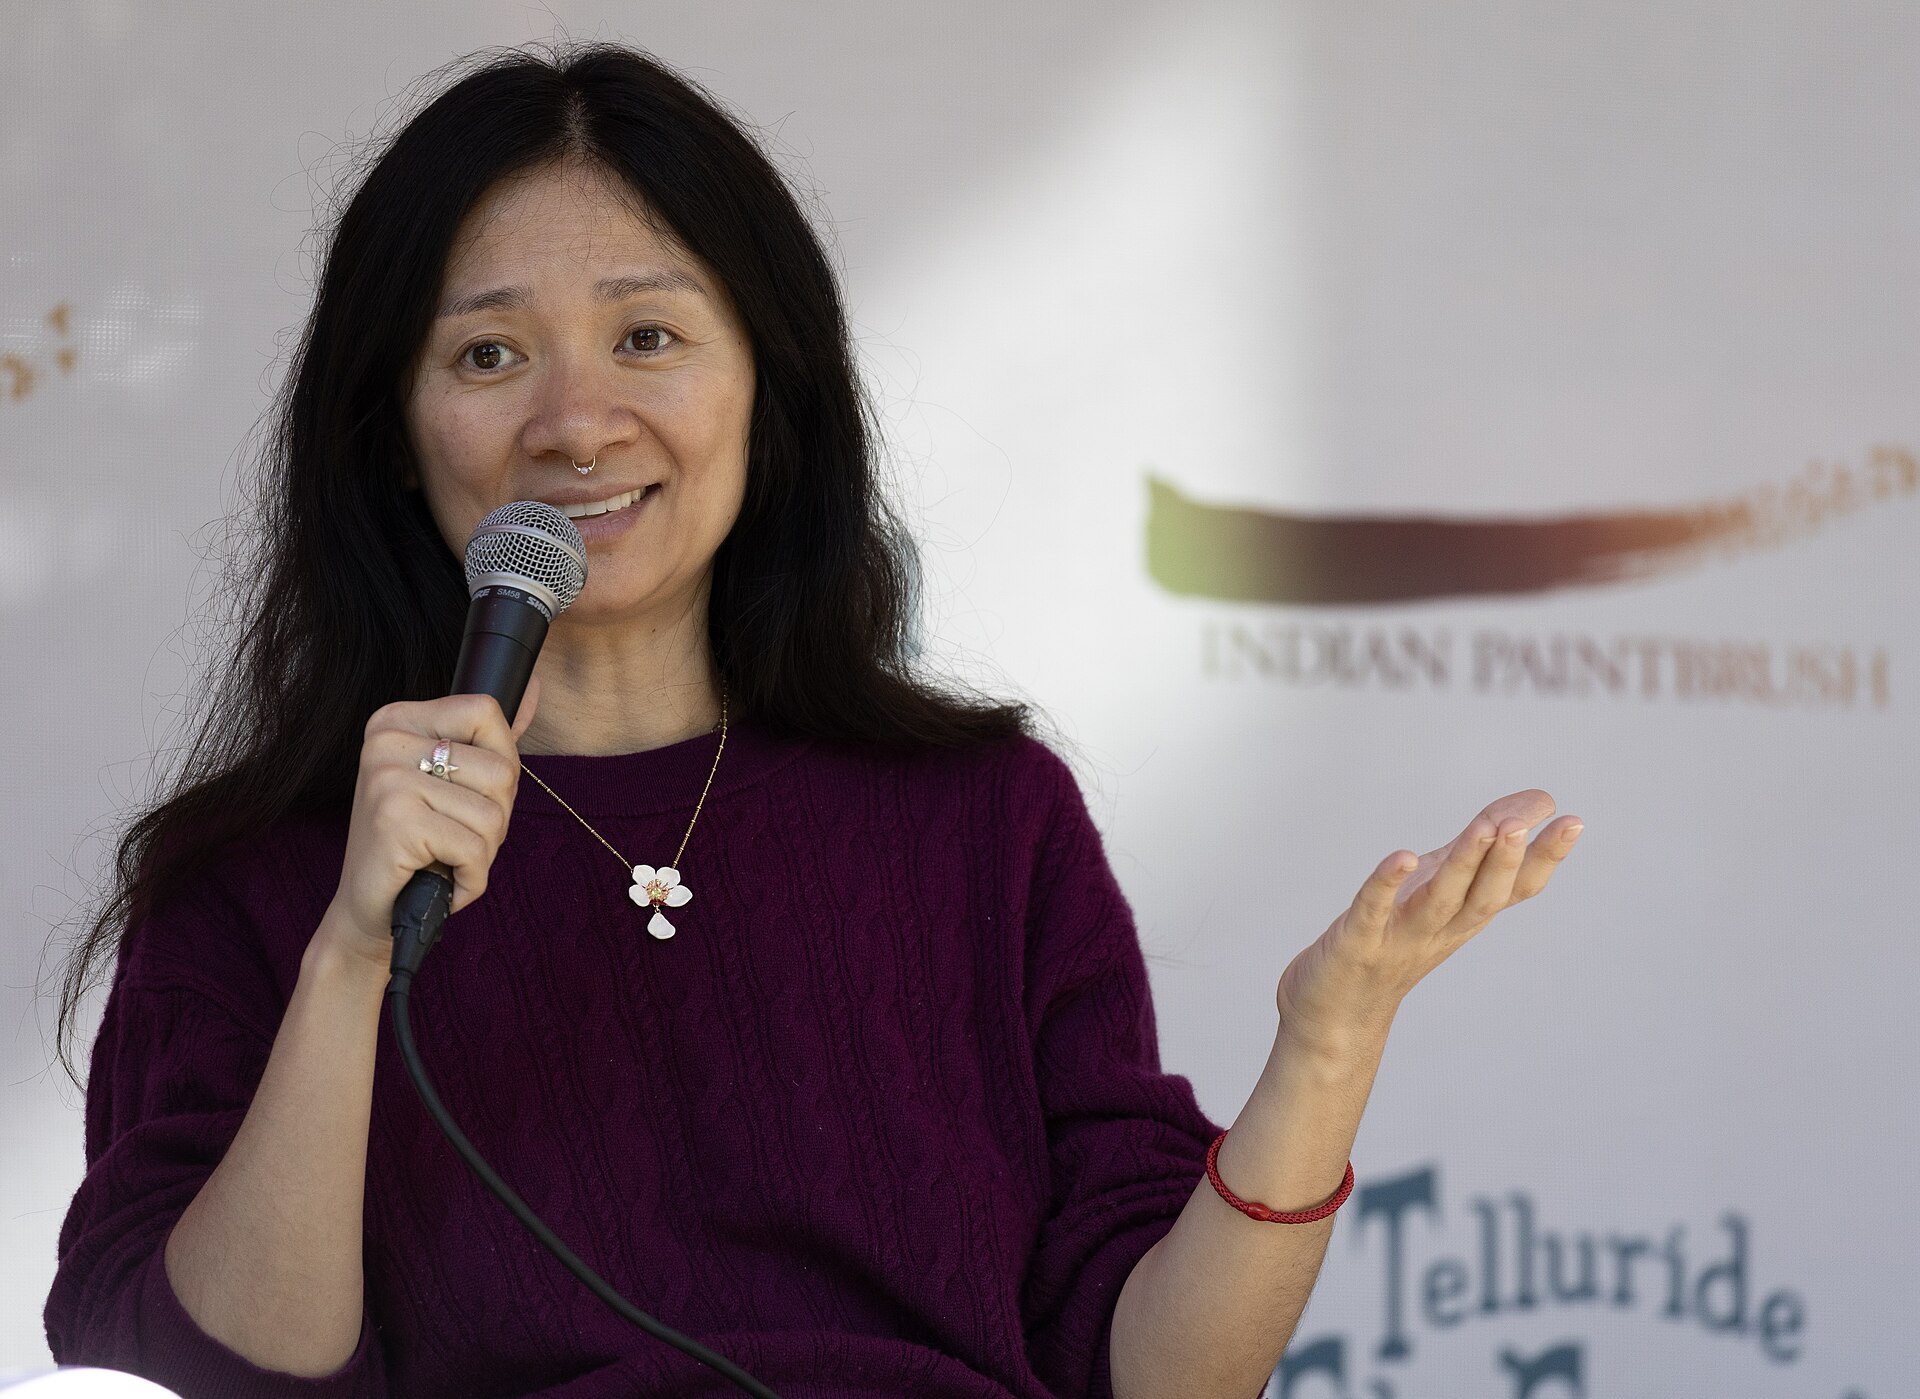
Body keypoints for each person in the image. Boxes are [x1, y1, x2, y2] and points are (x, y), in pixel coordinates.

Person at [44, 42, 1583, 1399]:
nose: (576, 422)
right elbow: (202, 1377)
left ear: (767, 399)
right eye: (491, 354)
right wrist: (353, 952)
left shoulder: (982, 816)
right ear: (391, 432)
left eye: (647, 337)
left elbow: (1159, 1376)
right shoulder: (253, 881)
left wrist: (1325, 1048)